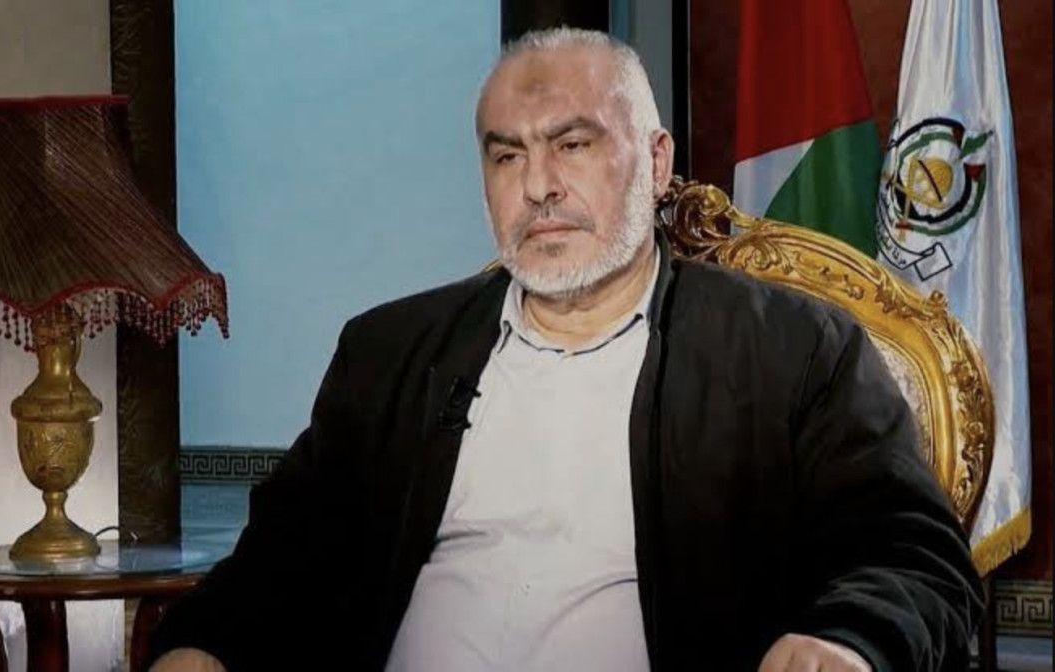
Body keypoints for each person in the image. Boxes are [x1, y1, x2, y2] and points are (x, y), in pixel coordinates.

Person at [147, 28, 982, 672]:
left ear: (656, 162)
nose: (538, 185)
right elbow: (282, 558)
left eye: (573, 144)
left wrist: (847, 641)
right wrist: (201, 645)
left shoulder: (791, 350)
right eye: (506, 154)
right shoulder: (391, 353)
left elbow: (911, 555)